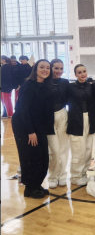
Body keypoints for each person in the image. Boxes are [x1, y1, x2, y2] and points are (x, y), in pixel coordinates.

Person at [12, 59, 53, 198]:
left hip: (38, 125)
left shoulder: (46, 86)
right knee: (30, 156)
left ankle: (36, 185)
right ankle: (30, 188)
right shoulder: (28, 85)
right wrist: (30, 131)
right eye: (42, 67)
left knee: (42, 157)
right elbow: (23, 110)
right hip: (24, 125)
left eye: (48, 68)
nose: (45, 70)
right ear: (35, 69)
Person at [67, 64, 95, 186]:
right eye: (79, 72)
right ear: (75, 75)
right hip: (76, 120)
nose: (82, 74)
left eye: (84, 71)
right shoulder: (70, 87)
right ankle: (75, 176)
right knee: (78, 151)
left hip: (89, 120)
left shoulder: (91, 87)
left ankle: (85, 173)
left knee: (88, 150)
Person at [47, 59, 70, 189]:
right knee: (54, 150)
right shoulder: (45, 82)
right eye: (56, 68)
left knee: (64, 148)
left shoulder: (65, 82)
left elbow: (69, 99)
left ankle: (62, 175)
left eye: (61, 68)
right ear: (51, 68)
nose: (59, 71)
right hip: (48, 118)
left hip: (62, 114)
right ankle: (52, 176)